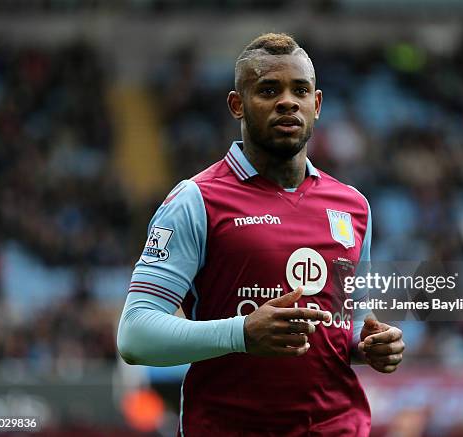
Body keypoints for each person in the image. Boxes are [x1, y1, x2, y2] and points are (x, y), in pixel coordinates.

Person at [117, 33, 405, 436]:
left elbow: (349, 321)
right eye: (269, 90)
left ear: (316, 105)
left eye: (299, 90)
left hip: (338, 426)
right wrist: (242, 334)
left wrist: (370, 343)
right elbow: (135, 335)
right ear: (238, 104)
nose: (287, 101)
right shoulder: (196, 201)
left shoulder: (353, 206)